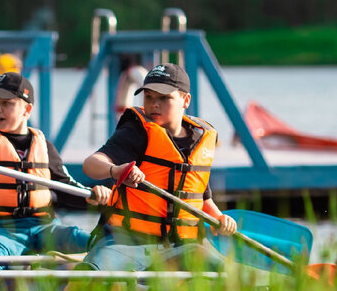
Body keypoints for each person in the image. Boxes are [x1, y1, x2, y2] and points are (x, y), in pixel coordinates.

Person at [80, 62, 237, 272]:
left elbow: (201, 198)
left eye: (164, 98)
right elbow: (91, 165)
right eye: (149, 97)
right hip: (125, 242)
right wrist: (115, 170)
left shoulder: (200, 140)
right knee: (89, 275)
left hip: (181, 246)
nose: (154, 104)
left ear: (185, 100)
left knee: (230, 275)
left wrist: (219, 218)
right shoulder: (136, 131)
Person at [0, 73, 109, 264]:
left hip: (45, 228)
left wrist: (93, 197)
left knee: (98, 243)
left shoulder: (45, 146)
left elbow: (65, 188)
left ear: (27, 109)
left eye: (6, 103)